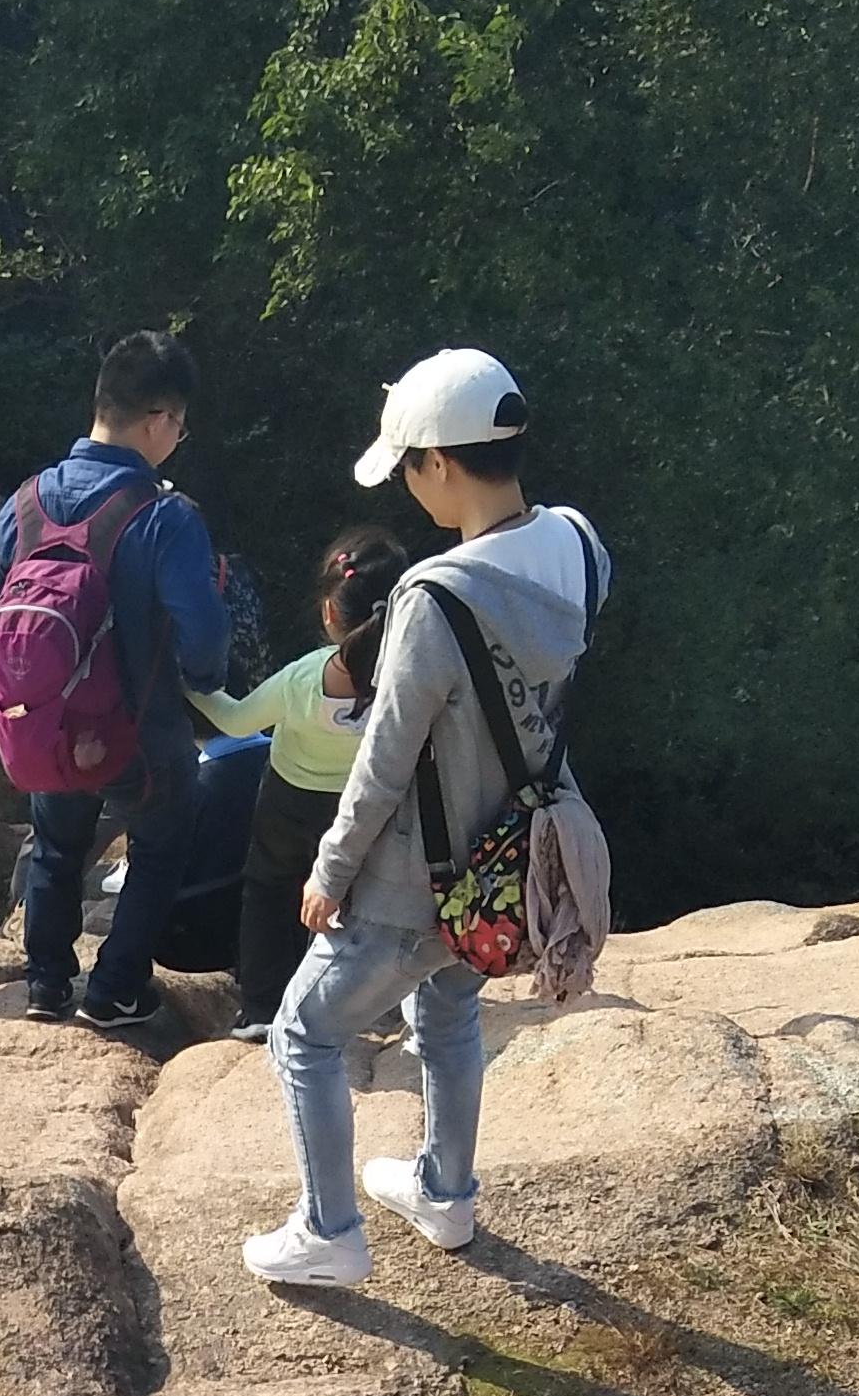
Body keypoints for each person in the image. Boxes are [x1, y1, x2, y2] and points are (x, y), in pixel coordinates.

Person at [253, 347, 610, 1278]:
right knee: (447, 1012)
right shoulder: (577, 544)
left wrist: (330, 872)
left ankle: (328, 1232)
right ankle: (444, 1194)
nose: (410, 487)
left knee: (304, 1032)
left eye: (410, 466)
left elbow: (385, 759)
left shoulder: (434, 597)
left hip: (418, 875)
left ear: (440, 463)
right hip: (512, 857)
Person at [0, 330, 231, 1029]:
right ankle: (115, 989)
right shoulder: (166, 517)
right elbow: (203, 636)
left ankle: (46, 982)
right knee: (161, 845)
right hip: (142, 731)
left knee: (56, 845)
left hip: (46, 723)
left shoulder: (24, 503)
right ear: (159, 420)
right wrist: (207, 682)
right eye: (179, 423)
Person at [189, 526, 405, 1032]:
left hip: (288, 799)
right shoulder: (407, 675)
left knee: (268, 890)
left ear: (330, 611)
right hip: (362, 803)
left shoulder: (308, 674)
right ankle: (356, 1005)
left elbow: (238, 721)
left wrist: (191, 687)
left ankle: (262, 1008)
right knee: (355, 900)